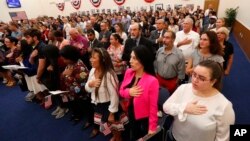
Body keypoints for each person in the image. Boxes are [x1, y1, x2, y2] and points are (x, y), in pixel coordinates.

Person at [163, 60, 235, 141]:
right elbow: (166, 107)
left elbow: (223, 138)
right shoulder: (184, 88)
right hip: (174, 137)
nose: (195, 80)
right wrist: (184, 107)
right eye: (194, 74)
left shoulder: (224, 106)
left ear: (213, 81)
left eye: (202, 78)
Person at [85, 48, 128, 140]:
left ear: (102, 60)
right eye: (90, 57)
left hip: (108, 106)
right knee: (106, 125)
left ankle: (118, 138)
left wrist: (112, 113)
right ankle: (114, 136)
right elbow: (87, 89)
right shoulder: (92, 70)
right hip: (97, 104)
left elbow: (114, 95)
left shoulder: (109, 74)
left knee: (114, 125)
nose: (90, 60)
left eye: (93, 58)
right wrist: (90, 84)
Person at [119, 45, 159, 141]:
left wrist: (152, 127)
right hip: (131, 111)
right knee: (133, 135)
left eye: (134, 58)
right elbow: (120, 91)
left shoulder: (152, 80)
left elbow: (153, 106)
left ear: (143, 60)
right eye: (130, 57)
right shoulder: (129, 72)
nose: (130, 61)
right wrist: (129, 92)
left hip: (144, 117)